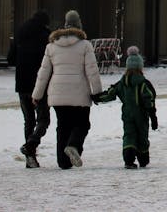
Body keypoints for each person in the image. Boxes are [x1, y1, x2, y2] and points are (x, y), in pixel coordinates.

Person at [32, 9, 102, 169]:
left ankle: (63, 162)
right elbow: (92, 70)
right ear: (79, 27)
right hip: (79, 93)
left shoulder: (51, 46)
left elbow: (43, 73)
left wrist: (37, 95)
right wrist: (97, 93)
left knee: (62, 126)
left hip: (57, 94)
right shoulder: (85, 45)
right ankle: (73, 146)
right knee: (82, 124)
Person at [93, 48, 157, 168]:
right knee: (142, 135)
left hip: (127, 113)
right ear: (140, 67)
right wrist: (153, 116)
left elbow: (110, 93)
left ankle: (128, 159)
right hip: (141, 114)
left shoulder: (122, 82)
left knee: (129, 135)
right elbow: (149, 99)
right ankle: (143, 158)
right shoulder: (143, 83)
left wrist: (97, 98)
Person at [10, 9, 51, 168]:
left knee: (28, 120)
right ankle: (31, 144)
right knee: (43, 119)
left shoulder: (20, 33)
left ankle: (30, 158)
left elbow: (10, 58)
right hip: (39, 84)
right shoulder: (45, 36)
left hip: (21, 83)